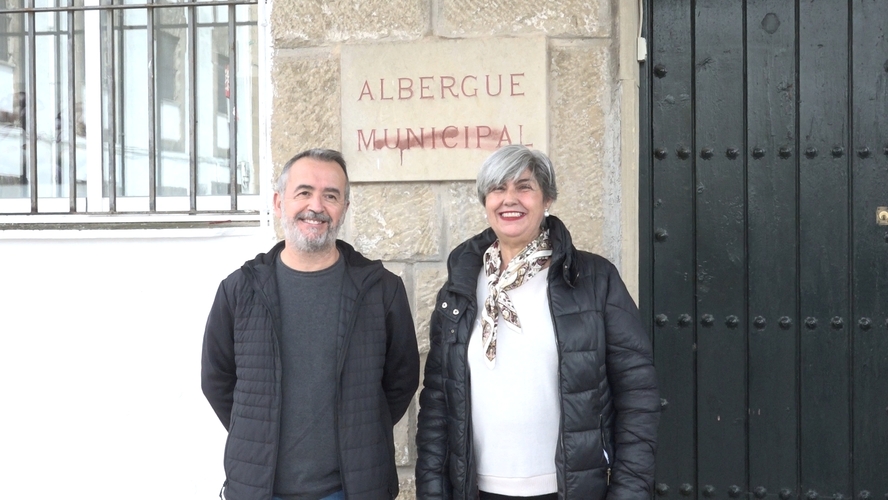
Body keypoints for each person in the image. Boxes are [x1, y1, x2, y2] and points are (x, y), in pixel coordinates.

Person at [415, 145, 659, 500]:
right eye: (498, 188)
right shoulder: (460, 287)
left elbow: (638, 394)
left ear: (547, 199)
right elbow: (438, 400)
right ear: (486, 201)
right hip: (476, 490)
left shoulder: (595, 280)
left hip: (569, 490)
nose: (509, 199)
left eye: (524, 187)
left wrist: (629, 492)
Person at [202, 148, 420, 500]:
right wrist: (258, 429)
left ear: (344, 209)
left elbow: (401, 381)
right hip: (259, 491)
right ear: (278, 202)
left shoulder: (381, 290)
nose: (316, 206)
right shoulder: (240, 290)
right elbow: (217, 381)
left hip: (351, 491)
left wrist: (361, 430)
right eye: (303, 192)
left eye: (330, 195)